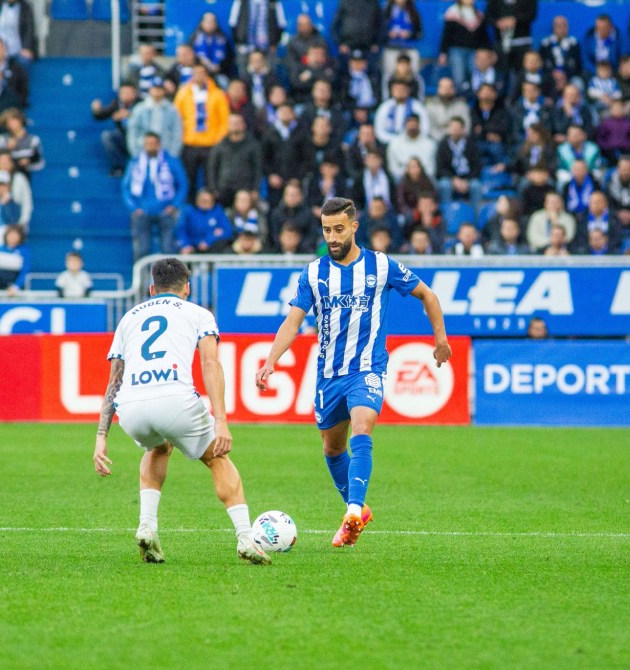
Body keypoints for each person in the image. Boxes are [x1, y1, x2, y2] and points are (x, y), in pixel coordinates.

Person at [254, 197, 450, 547]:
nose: (332, 237)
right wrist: (271, 360)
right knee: (332, 449)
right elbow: (293, 320)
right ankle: (358, 509)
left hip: (367, 369)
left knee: (362, 428)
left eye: (339, 229)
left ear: (354, 227)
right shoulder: (313, 273)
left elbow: (428, 296)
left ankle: (353, 511)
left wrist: (441, 340)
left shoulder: (381, 265)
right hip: (329, 375)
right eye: (327, 230)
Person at [92, 257, 272, 565]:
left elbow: (114, 381)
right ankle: (245, 537)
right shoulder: (198, 313)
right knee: (216, 458)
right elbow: (210, 363)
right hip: (175, 399)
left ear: (152, 289)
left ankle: (147, 526)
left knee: (158, 447)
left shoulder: (128, 318)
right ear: (186, 288)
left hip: (131, 407)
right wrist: (221, 420)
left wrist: (101, 437)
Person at [123, 132, 187, 260]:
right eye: (147, 144)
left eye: (153, 143)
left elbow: (183, 184)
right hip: (142, 211)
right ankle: (142, 274)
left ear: (159, 144)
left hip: (166, 210)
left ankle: (169, 274)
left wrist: (174, 205)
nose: (150, 146)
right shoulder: (135, 162)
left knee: (168, 249)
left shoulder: (171, 162)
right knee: (142, 250)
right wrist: (134, 207)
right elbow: (126, 187)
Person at [174, 64, 230, 201]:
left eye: (202, 73)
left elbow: (224, 119)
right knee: (189, 179)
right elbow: (177, 118)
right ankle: (190, 206)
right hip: (190, 143)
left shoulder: (217, 94)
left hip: (210, 144)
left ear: (207, 75)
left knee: (210, 179)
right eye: (196, 73)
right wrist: (182, 137)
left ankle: (210, 206)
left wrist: (218, 140)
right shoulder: (183, 93)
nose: (199, 76)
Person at [174, 188, 233, 255]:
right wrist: (185, 244)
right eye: (203, 200)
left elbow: (228, 231)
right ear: (197, 200)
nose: (205, 203)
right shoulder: (188, 211)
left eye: (208, 201)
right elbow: (180, 230)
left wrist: (208, 240)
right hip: (192, 246)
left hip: (212, 247)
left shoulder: (218, 211)